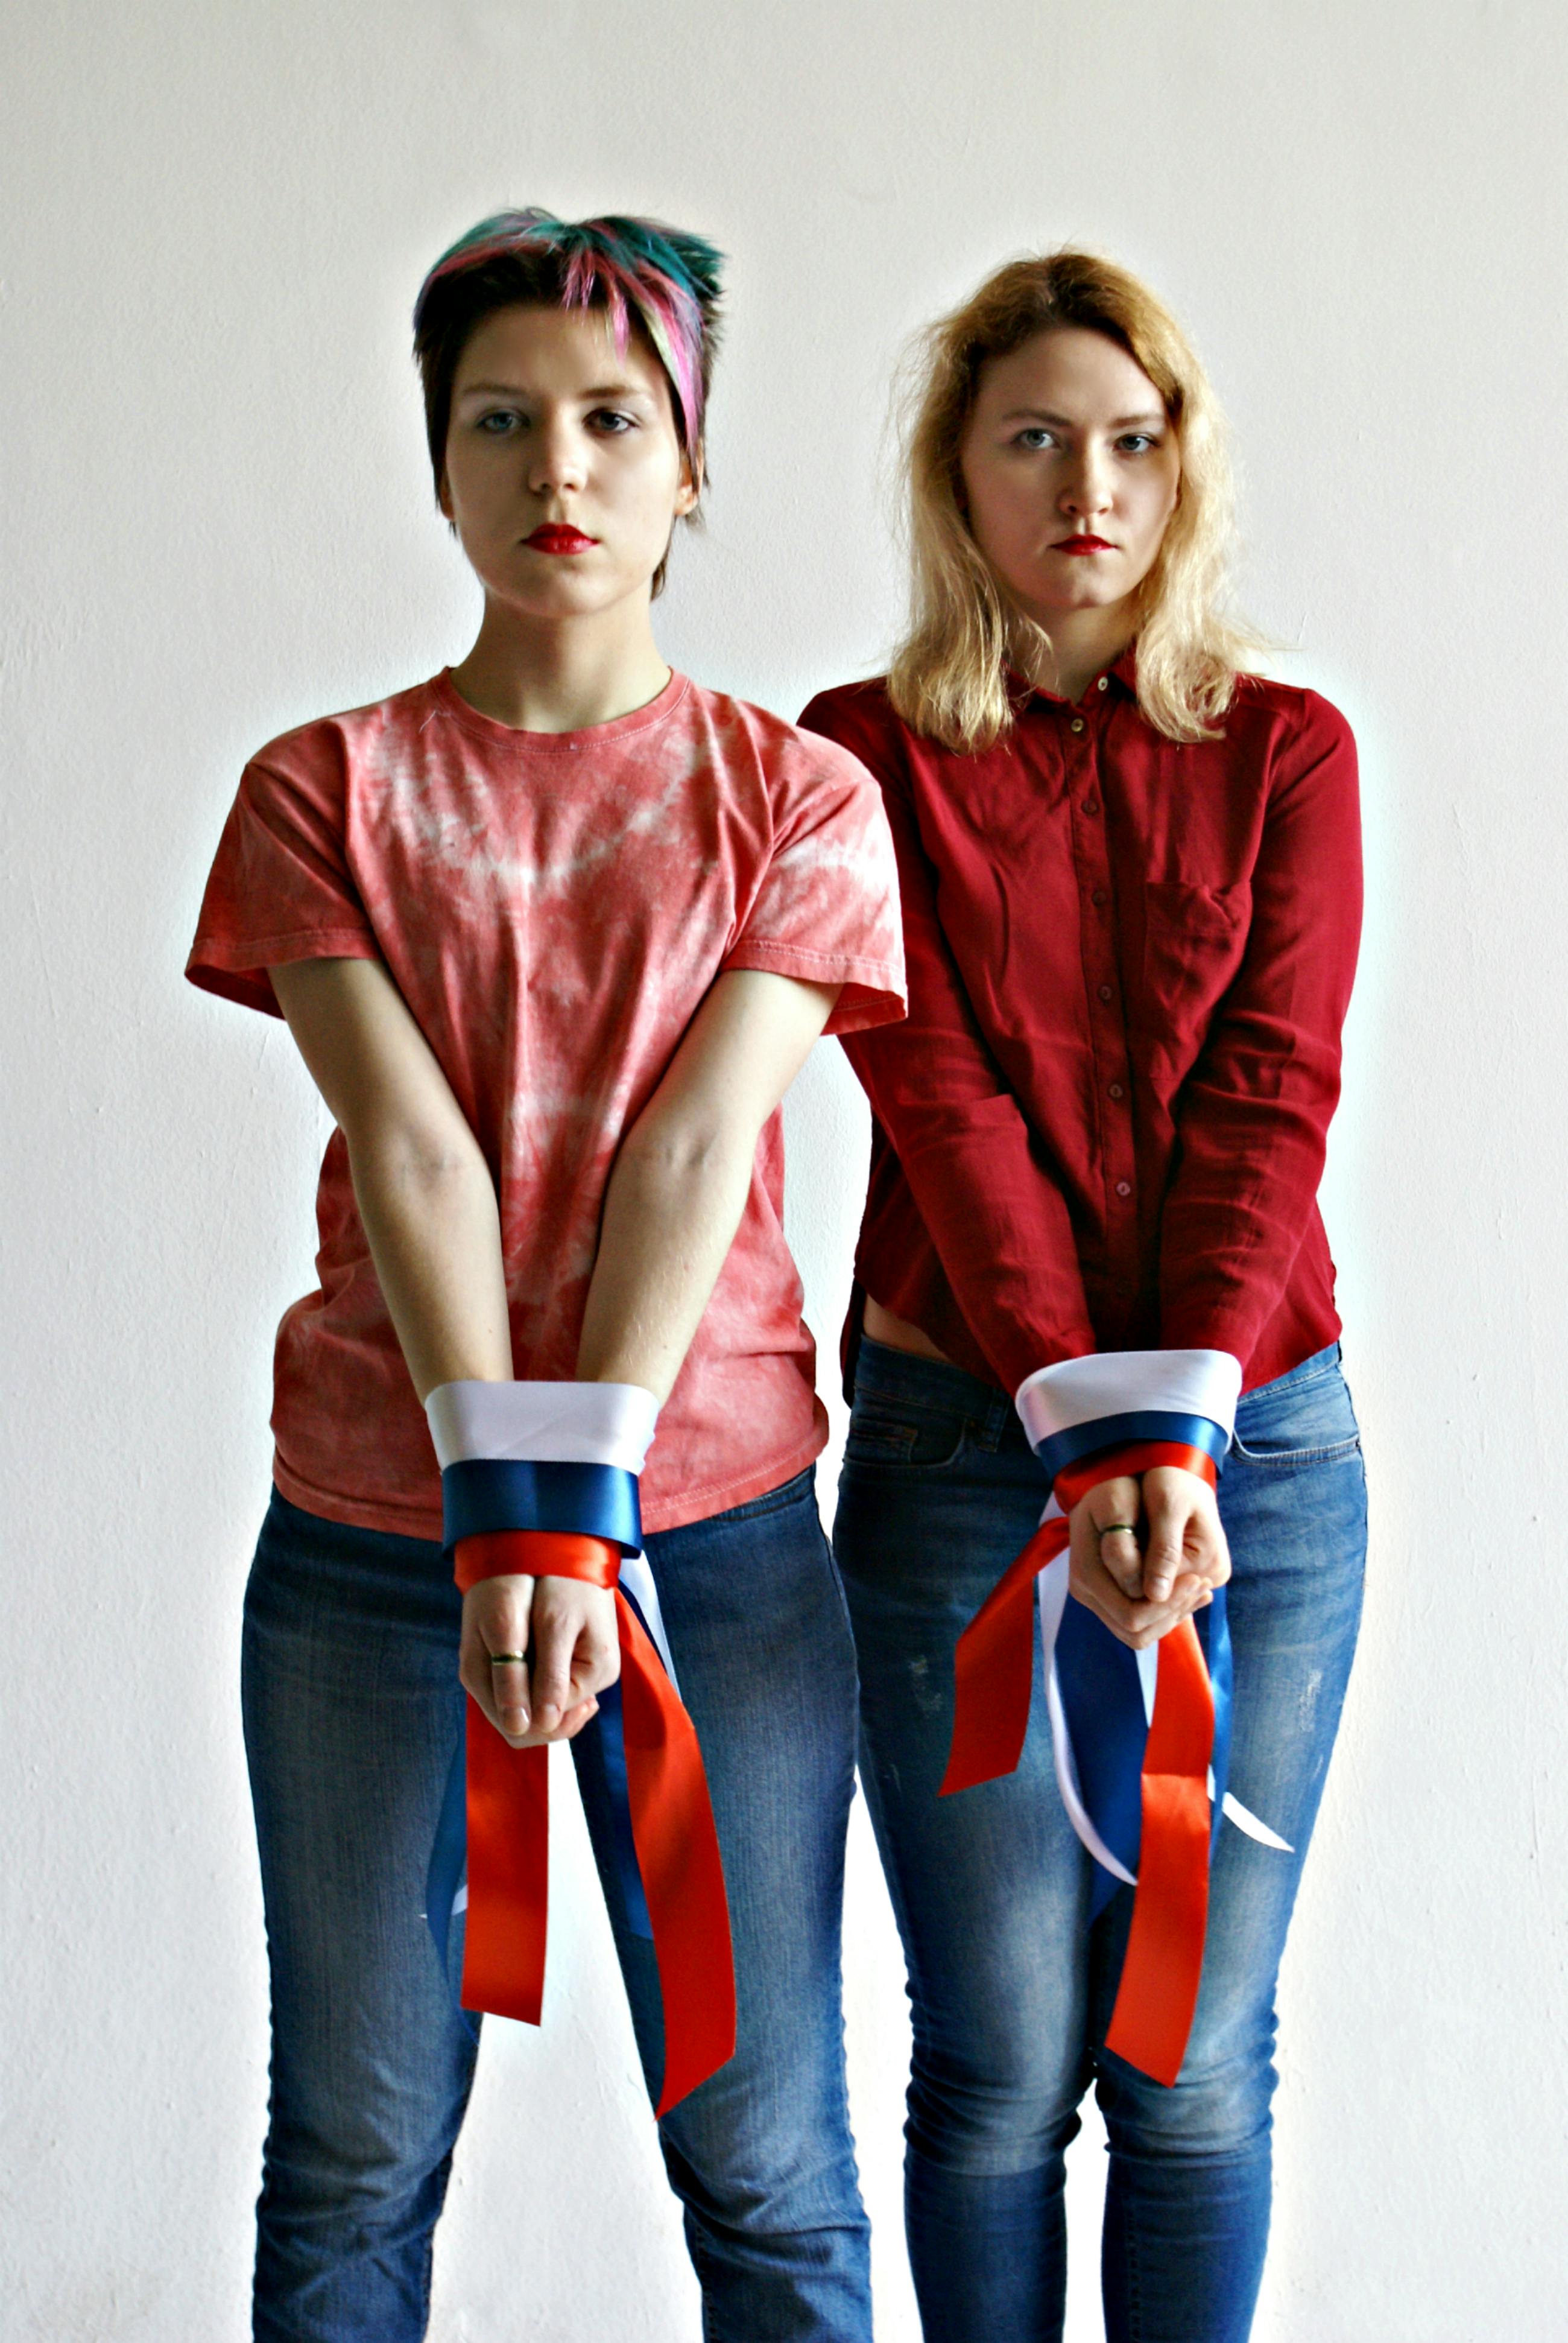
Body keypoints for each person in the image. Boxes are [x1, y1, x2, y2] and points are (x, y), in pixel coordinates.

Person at [186, 209, 904, 2343]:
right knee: (353, 2153)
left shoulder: (799, 798)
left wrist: (572, 1516)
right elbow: (411, 1149)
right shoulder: (320, 791)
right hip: (375, 1532)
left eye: (612, 419)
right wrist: (503, 1510)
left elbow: (694, 1147)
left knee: (770, 2163)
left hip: (720, 1533)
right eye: (500, 421)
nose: (557, 470)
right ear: (438, 463)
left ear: (692, 463)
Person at [800, 249, 1366, 2343]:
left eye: (1134, 441)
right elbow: (935, 1094)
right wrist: (1087, 1416)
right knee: (1000, 2065)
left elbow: (1271, 1094)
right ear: (958, 474)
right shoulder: (852, 758)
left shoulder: (1294, 750)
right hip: (965, 1451)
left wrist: (1177, 1422)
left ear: (1185, 474)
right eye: (1034, 436)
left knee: (1197, 2064)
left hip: (1268, 1462)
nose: (1087, 487)